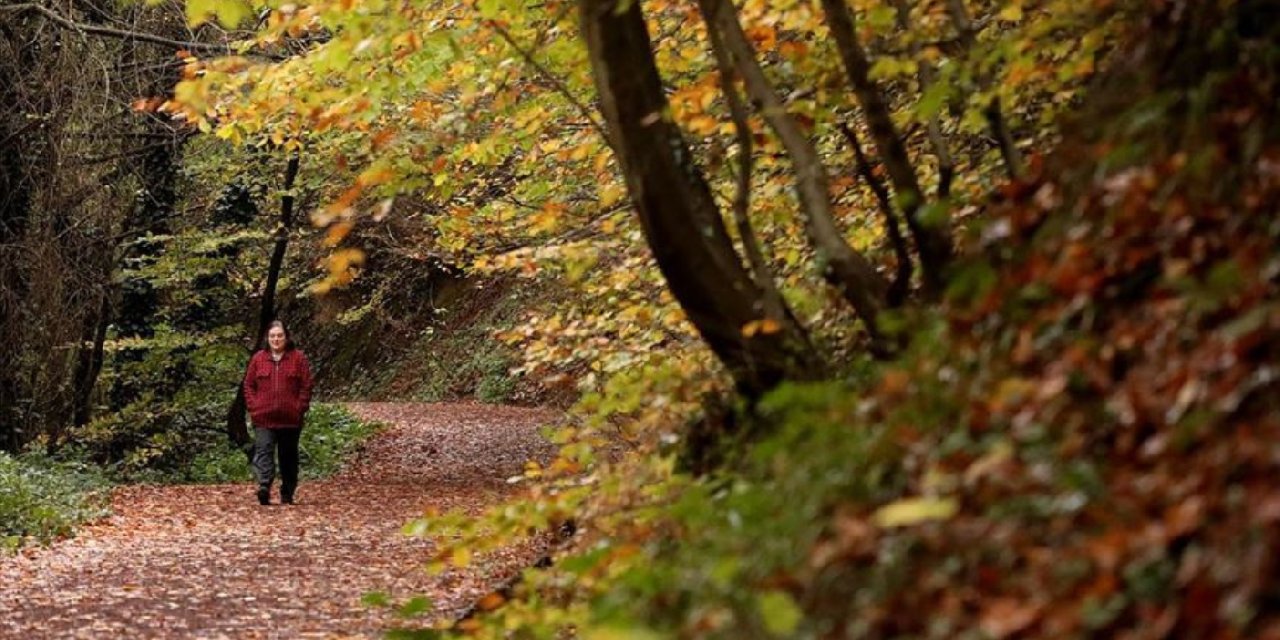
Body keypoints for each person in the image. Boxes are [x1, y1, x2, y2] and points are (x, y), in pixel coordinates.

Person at [243, 320, 314, 505]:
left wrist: (300, 407)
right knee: (264, 451)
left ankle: (287, 492)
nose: (276, 339)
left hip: (290, 419)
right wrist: (254, 406)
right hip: (263, 418)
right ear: (267, 338)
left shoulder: (298, 359)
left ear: (287, 337)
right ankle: (264, 486)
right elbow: (249, 385)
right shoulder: (258, 359)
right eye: (273, 336)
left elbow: (306, 385)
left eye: (280, 336)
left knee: (288, 456)